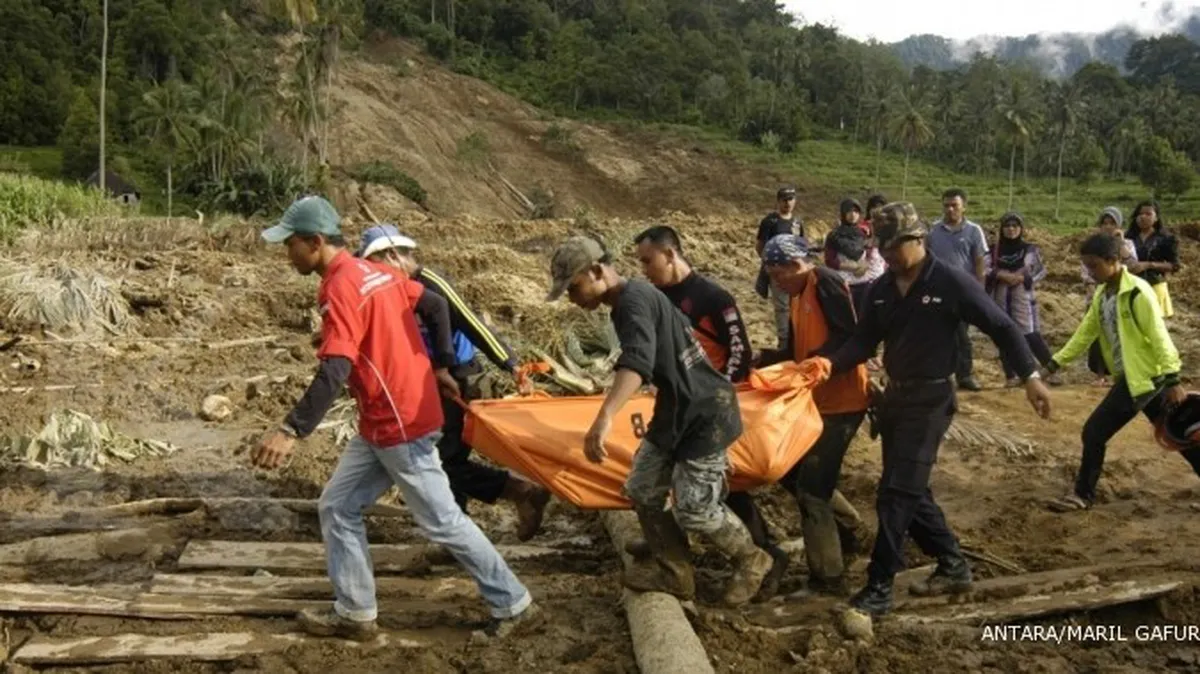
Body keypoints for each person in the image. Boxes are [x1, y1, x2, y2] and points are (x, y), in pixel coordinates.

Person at [251, 196, 540, 640]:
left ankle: (514, 604)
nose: (286, 253)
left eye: (289, 244)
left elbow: (335, 368)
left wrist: (291, 429)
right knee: (337, 506)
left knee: (443, 520)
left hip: (399, 423)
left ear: (313, 242)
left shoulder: (341, 287)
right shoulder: (378, 273)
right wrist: (441, 364)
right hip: (383, 420)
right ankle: (355, 613)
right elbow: (435, 307)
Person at [799, 202, 1052, 617]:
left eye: (898, 245)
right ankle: (952, 564)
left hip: (932, 400)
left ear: (919, 240)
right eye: (885, 246)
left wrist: (1031, 377)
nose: (891, 255)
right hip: (895, 399)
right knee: (911, 490)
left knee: (895, 493)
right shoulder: (882, 290)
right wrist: (828, 363)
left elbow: (1002, 327)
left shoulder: (951, 283)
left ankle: (880, 585)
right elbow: (864, 342)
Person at [547, 235, 772, 606]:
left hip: (704, 411)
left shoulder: (633, 301)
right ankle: (674, 567)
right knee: (642, 489)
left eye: (574, 287)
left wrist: (604, 418)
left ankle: (752, 559)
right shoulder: (630, 300)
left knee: (694, 509)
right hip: (676, 406)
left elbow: (636, 362)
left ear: (596, 270)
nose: (573, 297)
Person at [355, 224, 551, 542]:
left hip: (457, 376)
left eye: (375, 264)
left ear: (391, 256)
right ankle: (461, 529)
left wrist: (510, 362)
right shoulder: (393, 287)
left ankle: (516, 490)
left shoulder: (431, 283)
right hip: (428, 379)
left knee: (444, 459)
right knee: (444, 458)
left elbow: (470, 321)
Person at [632, 225, 785, 599]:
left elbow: (739, 351)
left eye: (648, 261)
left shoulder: (712, 297)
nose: (645, 270)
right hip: (676, 408)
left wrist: (719, 393)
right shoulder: (654, 299)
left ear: (671, 254)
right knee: (652, 486)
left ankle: (762, 555)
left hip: (710, 406)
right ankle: (672, 550)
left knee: (722, 493)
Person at [1044, 233, 1196, 512]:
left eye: (1094, 266)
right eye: (1087, 266)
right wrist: (1056, 362)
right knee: (1176, 434)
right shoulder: (1104, 294)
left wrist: (1174, 378)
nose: (1090, 272)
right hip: (1138, 376)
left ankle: (1083, 494)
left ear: (1113, 261)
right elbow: (1085, 332)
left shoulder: (1138, 292)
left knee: (1094, 432)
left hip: (1144, 379)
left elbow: (1159, 336)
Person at [757, 233, 870, 599]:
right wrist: (764, 360)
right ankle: (850, 531)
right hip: (816, 401)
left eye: (778, 274)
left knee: (812, 490)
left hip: (843, 401)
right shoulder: (795, 295)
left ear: (796, 265)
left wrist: (822, 361)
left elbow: (852, 337)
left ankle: (828, 579)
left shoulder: (826, 283)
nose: (776, 282)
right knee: (789, 471)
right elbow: (794, 349)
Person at [984, 212, 1062, 387]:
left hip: (1022, 297)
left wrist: (1021, 278)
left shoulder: (1029, 249)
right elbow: (985, 268)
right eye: (1007, 226)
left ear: (1021, 229)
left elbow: (1039, 271)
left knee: (1031, 334)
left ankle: (1050, 370)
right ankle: (1011, 376)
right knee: (1003, 334)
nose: (1011, 229)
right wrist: (1001, 274)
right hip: (1000, 297)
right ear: (1001, 229)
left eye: (1015, 226)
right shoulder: (994, 250)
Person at [926, 188, 989, 391]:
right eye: (947, 205)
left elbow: (980, 261)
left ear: (964, 207)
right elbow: (925, 258)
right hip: (937, 289)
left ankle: (965, 375)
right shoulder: (933, 231)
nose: (950, 209)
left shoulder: (973, 231)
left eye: (955, 205)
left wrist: (979, 289)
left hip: (963, 290)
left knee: (962, 335)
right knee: (935, 333)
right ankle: (936, 374)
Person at [1084, 207, 1138, 387]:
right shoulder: (1093, 245)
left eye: (1112, 223)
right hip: (1098, 293)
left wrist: (1120, 243)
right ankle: (1100, 374)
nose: (1107, 226)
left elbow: (1133, 266)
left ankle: (1123, 372)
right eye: (1104, 223)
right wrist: (1092, 292)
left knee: (1121, 333)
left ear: (1119, 225)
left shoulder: (1127, 244)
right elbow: (1086, 271)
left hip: (1121, 294)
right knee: (1097, 335)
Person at [756, 186, 803, 348]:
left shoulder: (797, 222)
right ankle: (784, 341)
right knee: (782, 307)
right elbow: (760, 245)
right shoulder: (770, 221)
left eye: (790, 199)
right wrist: (769, 264)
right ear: (778, 201)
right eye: (784, 200)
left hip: (794, 270)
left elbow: (801, 244)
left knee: (796, 306)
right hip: (777, 270)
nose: (787, 203)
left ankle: (795, 338)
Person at [824, 198, 885, 313]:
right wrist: (849, 266)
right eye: (849, 211)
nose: (853, 215)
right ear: (843, 213)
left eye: (856, 212)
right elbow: (829, 260)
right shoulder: (833, 236)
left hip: (863, 282)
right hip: (842, 283)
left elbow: (869, 253)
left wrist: (864, 265)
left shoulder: (864, 233)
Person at [1125, 200, 1180, 320]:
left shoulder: (1166, 239)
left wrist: (1149, 265)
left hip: (1155, 286)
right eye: (1140, 214)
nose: (1143, 217)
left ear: (1156, 218)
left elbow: (1175, 265)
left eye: (1148, 214)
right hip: (1130, 286)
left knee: (1153, 326)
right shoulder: (1128, 237)